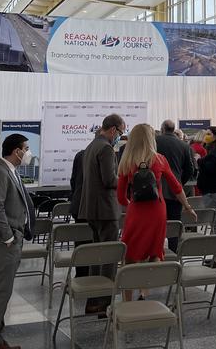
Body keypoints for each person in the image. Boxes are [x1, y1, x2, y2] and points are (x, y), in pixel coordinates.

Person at [116, 125, 196, 299]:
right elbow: (176, 186)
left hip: (136, 212)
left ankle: (127, 299)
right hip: (157, 211)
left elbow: (120, 196)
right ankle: (145, 291)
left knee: (129, 255)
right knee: (154, 252)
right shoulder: (159, 160)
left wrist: (130, 204)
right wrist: (187, 206)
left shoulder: (127, 162)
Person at [0, 133, 36, 349]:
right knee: (2, 293)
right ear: (16, 151)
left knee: (5, 291)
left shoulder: (12, 171)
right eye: (26, 148)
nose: (28, 152)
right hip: (5, 242)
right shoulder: (0, 172)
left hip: (15, 237)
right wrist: (8, 237)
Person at [77, 114, 124, 314]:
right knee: (109, 256)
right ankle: (104, 301)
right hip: (105, 209)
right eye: (121, 132)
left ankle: (94, 299)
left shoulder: (91, 145)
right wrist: (124, 178)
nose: (120, 136)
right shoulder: (105, 148)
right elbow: (109, 180)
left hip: (92, 208)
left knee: (97, 255)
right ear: (113, 129)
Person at [155, 119, 196, 252]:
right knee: (174, 224)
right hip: (175, 192)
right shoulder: (184, 146)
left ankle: (157, 253)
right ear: (173, 130)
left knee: (156, 224)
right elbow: (190, 169)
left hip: (156, 189)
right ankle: (173, 253)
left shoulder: (155, 142)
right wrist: (179, 182)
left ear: (162, 129)